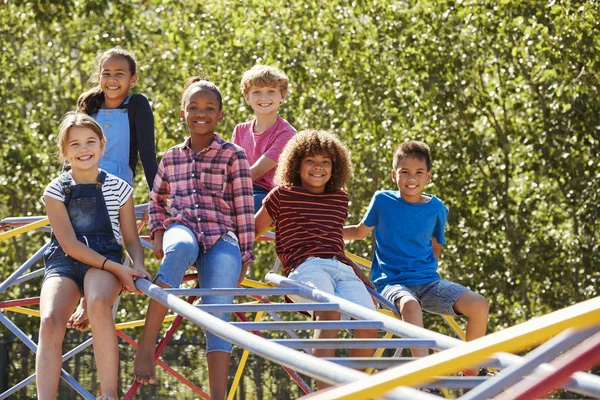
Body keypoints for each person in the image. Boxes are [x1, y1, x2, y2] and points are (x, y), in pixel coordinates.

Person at [133, 78, 255, 400]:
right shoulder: (172, 157)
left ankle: (218, 395)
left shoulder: (233, 155)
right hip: (183, 226)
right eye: (194, 107)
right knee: (181, 248)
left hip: (221, 235)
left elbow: (244, 210)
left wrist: (245, 256)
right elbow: (157, 200)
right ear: (182, 113)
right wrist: (158, 231)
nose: (202, 113)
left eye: (209, 108)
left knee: (219, 307)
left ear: (221, 115)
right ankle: (147, 345)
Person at [343, 140, 490, 372]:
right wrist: (326, 232)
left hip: (428, 282)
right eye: (405, 172)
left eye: (419, 172)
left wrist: (424, 269)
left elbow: (436, 246)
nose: (412, 178)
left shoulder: (437, 208)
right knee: (411, 306)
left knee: (479, 304)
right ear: (394, 175)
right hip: (392, 283)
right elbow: (360, 232)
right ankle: (424, 375)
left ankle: (470, 365)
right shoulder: (383, 200)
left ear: (428, 176)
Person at [37, 112, 151, 400]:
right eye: (74, 144)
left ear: (103, 145)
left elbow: (130, 239)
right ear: (64, 152)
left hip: (103, 259)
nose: (83, 149)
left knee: (99, 302)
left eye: (90, 142)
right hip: (66, 260)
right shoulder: (55, 190)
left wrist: (137, 265)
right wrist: (119, 269)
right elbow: (70, 245)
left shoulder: (120, 188)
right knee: (50, 320)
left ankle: (109, 394)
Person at [254, 129, 377, 390]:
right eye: (310, 160)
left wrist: (357, 271)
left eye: (325, 162)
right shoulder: (282, 195)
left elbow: (333, 242)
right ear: (297, 165)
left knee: (371, 323)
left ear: (336, 168)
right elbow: (251, 231)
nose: (318, 167)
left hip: (340, 268)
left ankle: (348, 389)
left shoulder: (339, 199)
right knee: (329, 308)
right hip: (304, 266)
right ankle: (325, 392)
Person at [70, 47, 158, 330]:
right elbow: (72, 147)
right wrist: (62, 188)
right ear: (99, 76)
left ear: (133, 79)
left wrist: (159, 200)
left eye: (119, 74)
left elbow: (147, 154)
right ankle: (85, 293)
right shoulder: (89, 106)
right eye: (106, 74)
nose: (111, 80)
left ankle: (92, 298)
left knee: (106, 234)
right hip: (81, 179)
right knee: (75, 235)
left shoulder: (137, 105)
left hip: (114, 182)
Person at [232, 64, 296, 212]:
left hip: (270, 194)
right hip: (243, 189)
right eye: (257, 92)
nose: (264, 97)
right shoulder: (240, 130)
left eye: (271, 91)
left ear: (282, 96)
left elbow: (256, 172)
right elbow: (232, 166)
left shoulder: (286, 134)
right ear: (247, 97)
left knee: (239, 205)